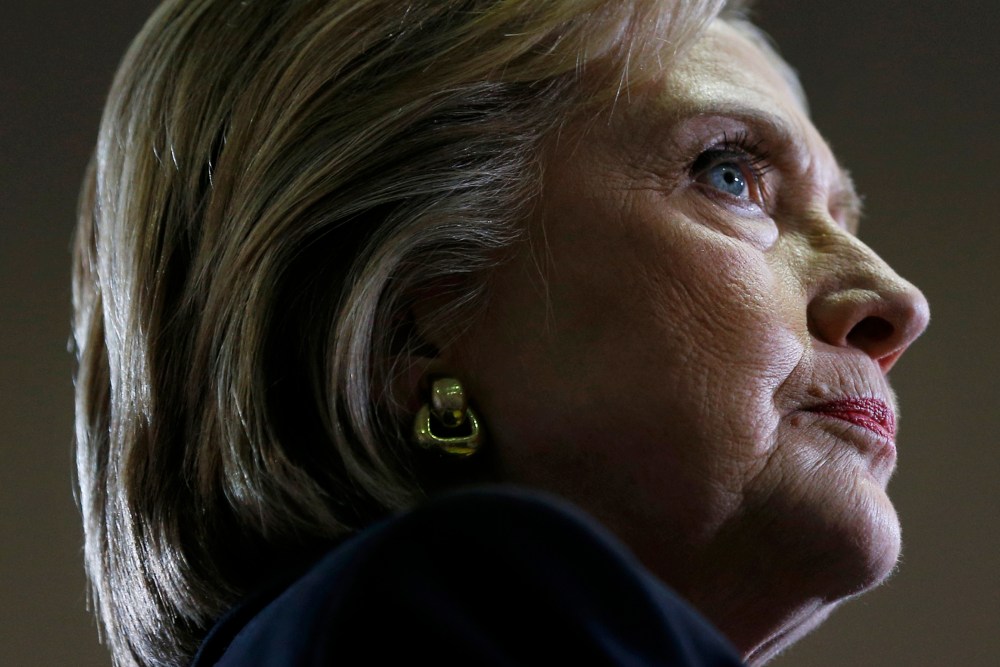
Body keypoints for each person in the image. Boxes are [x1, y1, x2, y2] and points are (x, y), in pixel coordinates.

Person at [71, 0, 930, 665]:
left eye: (843, 218)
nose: (897, 300)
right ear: (406, 318)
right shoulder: (450, 606)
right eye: (730, 176)